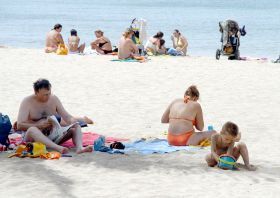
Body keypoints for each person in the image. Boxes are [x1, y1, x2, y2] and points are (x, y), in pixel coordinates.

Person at [16, 79, 93, 154]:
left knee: (76, 126)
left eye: (49, 93)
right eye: (45, 95)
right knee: (32, 129)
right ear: (36, 92)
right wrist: (38, 125)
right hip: (34, 138)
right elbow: (19, 125)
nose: (48, 96)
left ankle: (79, 148)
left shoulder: (53, 98)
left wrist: (72, 121)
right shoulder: (27, 102)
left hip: (53, 136)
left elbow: (66, 116)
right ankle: (58, 148)